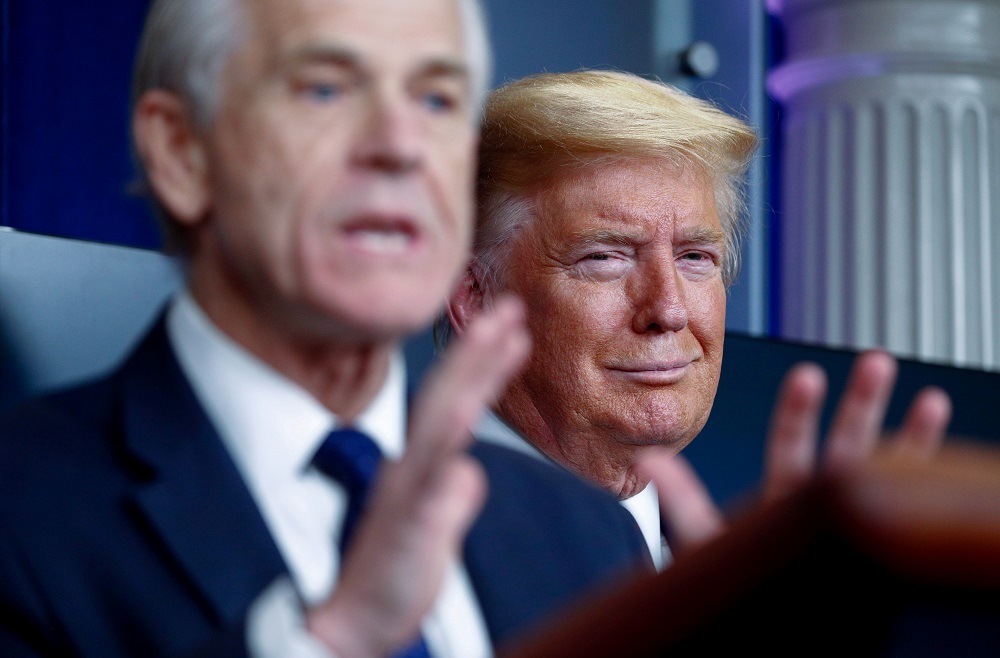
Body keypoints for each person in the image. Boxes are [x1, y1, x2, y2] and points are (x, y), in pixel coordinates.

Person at [0, 4, 650, 657]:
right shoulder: (20, 513)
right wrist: (331, 641)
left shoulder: (589, 539)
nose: (401, 145)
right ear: (182, 151)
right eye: (325, 89)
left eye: (436, 99)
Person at [445, 70, 953, 566]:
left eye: (694, 257)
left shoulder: (768, 558)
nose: (668, 310)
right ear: (475, 298)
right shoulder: (392, 542)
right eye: (605, 257)